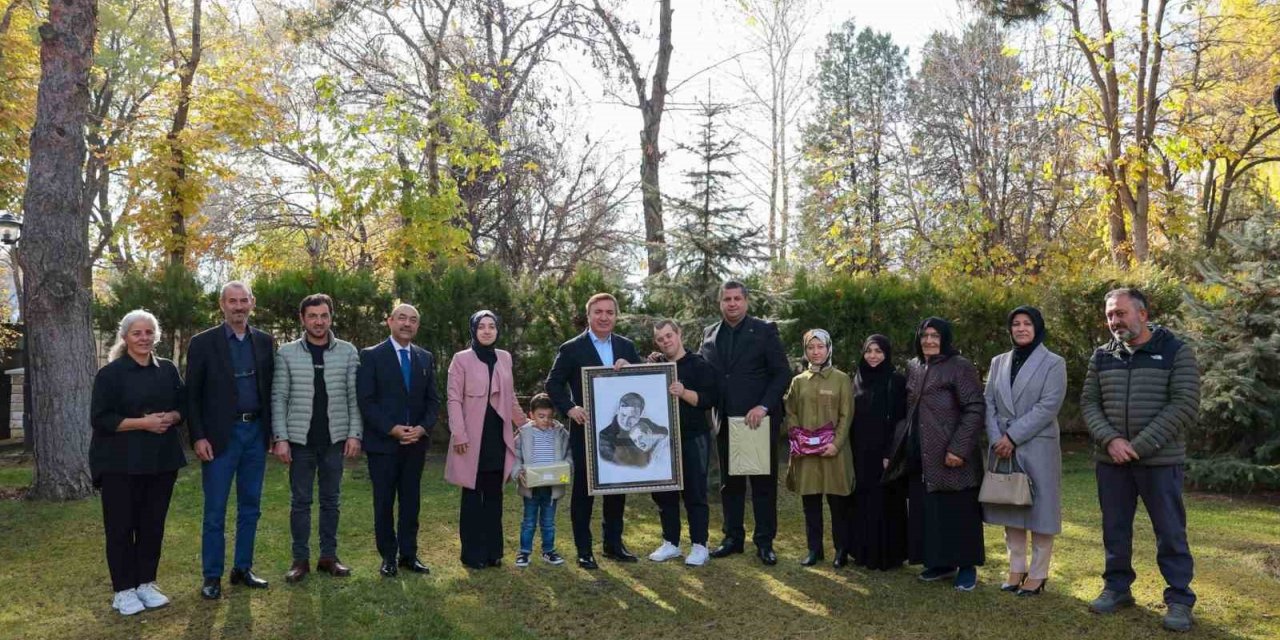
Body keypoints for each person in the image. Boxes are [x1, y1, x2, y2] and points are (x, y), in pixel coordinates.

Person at [1082, 288, 1200, 632]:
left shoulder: (1176, 351)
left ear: (1143, 314)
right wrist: (1111, 440)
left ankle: (1179, 599)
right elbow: (1089, 403)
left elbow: (1184, 404)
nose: (1114, 321)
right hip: (1111, 461)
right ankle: (1117, 588)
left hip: (1160, 462)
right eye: (1110, 315)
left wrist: (1138, 446)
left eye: (1120, 313)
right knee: (1114, 528)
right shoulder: (1102, 356)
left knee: (1170, 531)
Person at [90, 310, 187, 616]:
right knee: (121, 527)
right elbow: (101, 419)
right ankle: (123, 591)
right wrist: (143, 423)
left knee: (152, 525)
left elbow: (183, 407)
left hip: (161, 462)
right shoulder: (110, 374)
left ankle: (146, 583)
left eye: (149, 332)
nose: (144, 338)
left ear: (156, 336)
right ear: (125, 337)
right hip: (120, 463)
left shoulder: (167, 370)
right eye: (137, 333)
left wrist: (170, 417)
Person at [186, 281, 275, 600]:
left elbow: (270, 389)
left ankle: (243, 568)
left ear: (252, 303)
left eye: (243, 300)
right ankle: (212, 575)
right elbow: (192, 395)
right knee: (215, 510)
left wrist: (272, 433)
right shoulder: (202, 343)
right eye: (232, 301)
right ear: (222, 305)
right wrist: (198, 436)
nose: (238, 306)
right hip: (220, 437)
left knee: (250, 506)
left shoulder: (264, 341)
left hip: (255, 433)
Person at [545, 292, 643, 569]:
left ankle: (613, 544)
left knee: (617, 487)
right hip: (585, 429)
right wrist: (570, 408)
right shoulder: (571, 348)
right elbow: (553, 384)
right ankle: (584, 550)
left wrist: (632, 368)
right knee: (584, 491)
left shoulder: (626, 346)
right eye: (598, 312)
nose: (604, 317)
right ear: (588, 315)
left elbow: (642, 382)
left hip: (619, 432)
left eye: (609, 312)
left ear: (616, 316)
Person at [888, 317, 986, 591]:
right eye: (924, 335)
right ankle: (941, 563)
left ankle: (966, 567)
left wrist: (958, 448)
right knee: (931, 511)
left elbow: (975, 408)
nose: (929, 340)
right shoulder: (914, 366)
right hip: (922, 453)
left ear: (945, 339)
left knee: (959, 511)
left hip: (952, 453)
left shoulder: (959, 366)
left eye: (935, 335)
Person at [271, 293, 363, 583]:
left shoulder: (348, 352)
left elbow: (355, 397)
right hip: (300, 442)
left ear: (331, 317)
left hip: (335, 440)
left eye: (324, 316)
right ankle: (300, 560)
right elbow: (279, 397)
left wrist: (354, 434)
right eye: (312, 316)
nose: (319, 321)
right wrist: (280, 438)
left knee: (331, 501)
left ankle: (329, 557)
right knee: (300, 502)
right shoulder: (286, 353)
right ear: (303, 319)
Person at [699, 280, 791, 566]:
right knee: (731, 484)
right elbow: (700, 371)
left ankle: (764, 542)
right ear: (720, 303)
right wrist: (663, 359)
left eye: (737, 298)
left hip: (756, 421)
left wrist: (764, 406)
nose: (732, 303)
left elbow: (781, 373)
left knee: (762, 484)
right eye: (727, 299)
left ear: (746, 301)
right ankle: (732, 538)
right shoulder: (709, 334)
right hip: (725, 420)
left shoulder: (764, 331)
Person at [982, 306, 1067, 597]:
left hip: (1037, 445)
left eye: (1027, 323)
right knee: (1011, 508)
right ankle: (1016, 569)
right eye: (1015, 324)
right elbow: (988, 402)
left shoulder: (1054, 363)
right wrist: (997, 438)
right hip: (1002, 448)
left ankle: (1038, 573)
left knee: (1041, 512)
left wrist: (1012, 436)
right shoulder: (998, 362)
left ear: (1037, 327)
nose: (1021, 328)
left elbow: (1049, 406)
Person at [357, 303, 440, 577]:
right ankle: (388, 557)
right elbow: (366, 401)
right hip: (383, 444)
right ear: (390, 321)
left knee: (410, 502)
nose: (407, 323)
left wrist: (422, 428)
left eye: (413, 320)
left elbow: (433, 401)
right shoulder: (371, 355)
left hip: (415, 444)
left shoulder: (425, 357)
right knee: (383, 503)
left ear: (417, 326)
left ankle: (409, 555)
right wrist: (391, 428)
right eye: (402, 318)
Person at [445, 310, 521, 569]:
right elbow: (453, 398)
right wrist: (459, 433)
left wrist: (526, 425)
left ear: (498, 330)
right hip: (470, 437)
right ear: (474, 330)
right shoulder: (461, 359)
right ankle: (472, 554)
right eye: (481, 326)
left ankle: (493, 552)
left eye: (492, 326)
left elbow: (510, 397)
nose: (487, 331)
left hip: (497, 436)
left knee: (494, 495)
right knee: (472, 496)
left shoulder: (505, 357)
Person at [648, 319, 719, 567]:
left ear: (679, 334)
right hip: (662, 441)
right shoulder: (656, 366)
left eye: (669, 335)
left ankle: (700, 545)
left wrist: (684, 392)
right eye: (660, 339)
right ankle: (671, 543)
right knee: (664, 492)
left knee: (695, 492)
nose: (665, 341)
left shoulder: (698, 364)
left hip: (693, 437)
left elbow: (710, 399)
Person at [783, 329, 855, 568]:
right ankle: (814, 549)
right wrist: (798, 437)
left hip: (834, 453)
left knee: (838, 504)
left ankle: (841, 550)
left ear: (828, 348)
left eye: (820, 347)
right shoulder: (798, 381)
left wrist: (836, 444)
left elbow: (846, 415)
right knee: (810, 503)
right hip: (807, 454)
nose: (816, 352)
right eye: (811, 347)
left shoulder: (841, 379)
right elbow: (791, 412)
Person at [849, 334, 908, 571]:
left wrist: (890, 453)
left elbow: (901, 421)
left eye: (878, 351)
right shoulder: (856, 380)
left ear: (887, 354)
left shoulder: (896, 380)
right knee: (862, 501)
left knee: (886, 503)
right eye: (869, 351)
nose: (873, 356)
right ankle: (863, 552)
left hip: (885, 455)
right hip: (860, 453)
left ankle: (888, 555)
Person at [511, 393, 571, 568]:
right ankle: (524, 552)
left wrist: (567, 467)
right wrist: (518, 472)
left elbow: (569, 453)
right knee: (529, 521)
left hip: (552, 487)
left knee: (548, 522)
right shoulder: (524, 434)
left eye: (549, 416)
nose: (546, 420)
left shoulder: (560, 433)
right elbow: (515, 456)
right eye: (541, 416)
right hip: (531, 486)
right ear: (531, 415)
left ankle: (548, 551)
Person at [599, 393, 670, 468]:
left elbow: (667, 433)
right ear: (618, 410)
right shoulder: (605, 437)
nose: (626, 421)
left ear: (640, 415)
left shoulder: (646, 423)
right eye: (623, 415)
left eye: (632, 417)